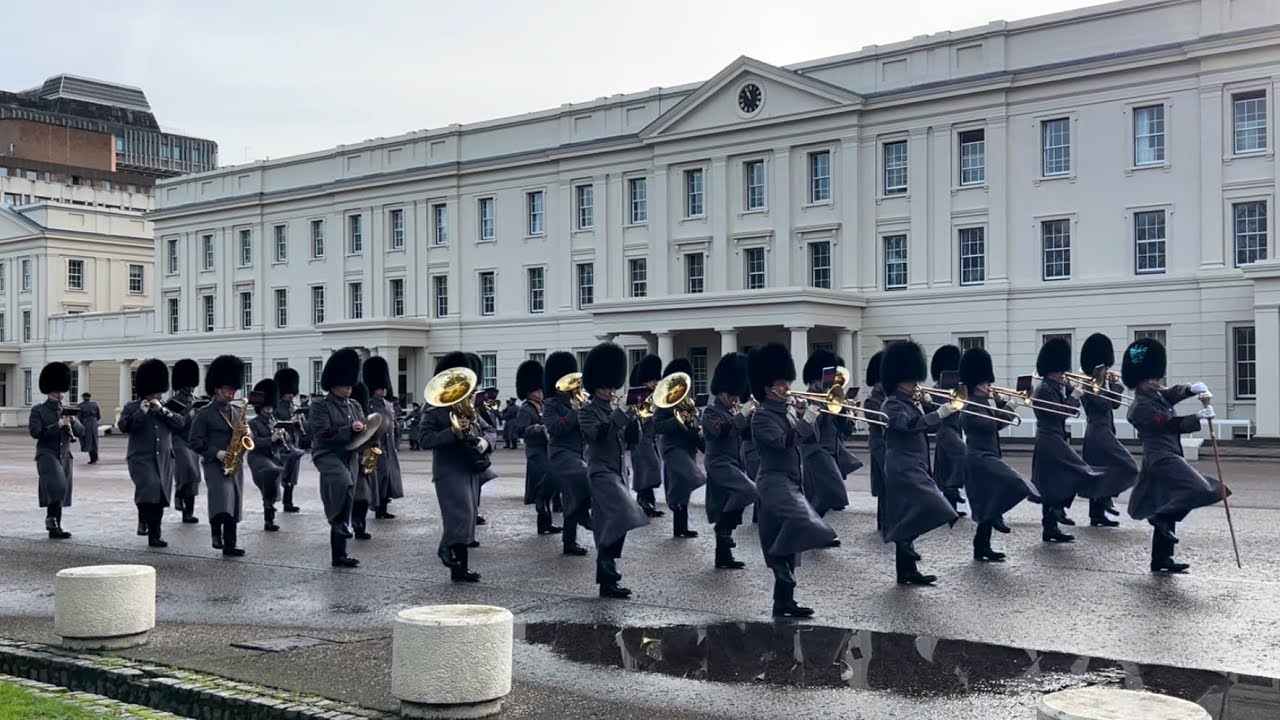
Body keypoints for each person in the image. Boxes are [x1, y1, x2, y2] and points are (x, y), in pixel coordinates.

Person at [1122, 338, 1229, 574]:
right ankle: (1159, 518)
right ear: (1139, 379)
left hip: (1168, 453)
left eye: (1156, 376)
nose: (1156, 381)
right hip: (1160, 458)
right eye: (1151, 377)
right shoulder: (1140, 406)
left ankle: (1162, 559)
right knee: (1199, 489)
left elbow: (1172, 393)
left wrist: (1190, 389)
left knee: (1166, 499)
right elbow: (1169, 424)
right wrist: (1198, 418)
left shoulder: (1156, 395)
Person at [747, 342, 835, 617]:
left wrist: (801, 414)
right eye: (781, 383)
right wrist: (806, 419)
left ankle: (783, 601)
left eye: (787, 382)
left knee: (783, 537)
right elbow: (784, 442)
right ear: (767, 388)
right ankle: (780, 569)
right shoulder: (761, 417)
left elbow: (806, 436)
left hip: (792, 480)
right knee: (800, 523)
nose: (787, 387)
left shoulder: (785, 410)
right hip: (773, 482)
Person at [879, 341, 960, 586]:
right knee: (936, 506)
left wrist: (930, 406)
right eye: (911, 380)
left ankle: (907, 571)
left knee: (909, 514)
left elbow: (932, 426)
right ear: (900, 380)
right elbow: (909, 426)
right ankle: (903, 543)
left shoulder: (910, 403)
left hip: (915, 465)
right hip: (902, 466)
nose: (915, 384)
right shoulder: (891, 404)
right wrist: (937, 412)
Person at [579, 342, 649, 599]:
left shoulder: (612, 409)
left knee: (611, 523)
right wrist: (620, 415)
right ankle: (608, 570)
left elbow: (632, 441)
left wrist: (634, 419)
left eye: (613, 385)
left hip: (619, 472)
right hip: (600, 472)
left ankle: (608, 580)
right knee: (621, 514)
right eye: (608, 386)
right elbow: (598, 435)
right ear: (596, 386)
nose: (612, 390)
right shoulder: (587, 411)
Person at [419, 351, 493, 582]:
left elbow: (488, 430)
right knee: (459, 515)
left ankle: (460, 569)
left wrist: (484, 442)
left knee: (468, 517)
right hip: (448, 470)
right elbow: (424, 439)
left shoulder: (469, 409)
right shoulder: (434, 411)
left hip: (470, 467)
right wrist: (451, 432)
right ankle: (446, 549)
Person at [958, 348, 1037, 562]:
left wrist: (1002, 402)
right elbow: (993, 424)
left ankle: (982, 547)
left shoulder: (984, 402)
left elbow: (996, 423)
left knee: (987, 499)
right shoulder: (970, 405)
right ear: (976, 384)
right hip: (979, 458)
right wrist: (1010, 405)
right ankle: (995, 516)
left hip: (989, 455)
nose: (989, 386)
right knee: (1014, 483)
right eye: (986, 383)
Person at [1030, 338, 1103, 543]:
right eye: (1060, 371)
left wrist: (1071, 391)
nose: (1064, 374)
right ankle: (1055, 515)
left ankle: (1052, 522)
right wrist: (1075, 395)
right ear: (1053, 370)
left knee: (1056, 481)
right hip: (1050, 440)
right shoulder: (1045, 389)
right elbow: (1060, 413)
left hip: (1055, 438)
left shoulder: (1053, 387)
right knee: (1079, 471)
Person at [118, 359, 184, 548]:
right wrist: (142, 412)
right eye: (156, 392)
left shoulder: (167, 407)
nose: (159, 395)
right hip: (141, 457)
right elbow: (123, 427)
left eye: (160, 392)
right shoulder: (132, 407)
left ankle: (155, 534)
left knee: (160, 495)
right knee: (150, 487)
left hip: (163, 458)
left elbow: (180, 424)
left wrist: (163, 411)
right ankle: (143, 517)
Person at [188, 355, 249, 558]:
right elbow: (194, 440)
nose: (232, 394)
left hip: (235, 463)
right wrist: (216, 452)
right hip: (215, 463)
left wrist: (248, 435)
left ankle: (230, 544)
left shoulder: (238, 411)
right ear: (217, 390)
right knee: (221, 498)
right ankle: (216, 533)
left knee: (233, 503)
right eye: (228, 390)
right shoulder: (204, 414)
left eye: (233, 390)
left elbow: (245, 437)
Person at [308, 348, 363, 568]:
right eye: (345, 384)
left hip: (349, 455)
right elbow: (323, 433)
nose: (349, 388)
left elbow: (364, 432)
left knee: (347, 496)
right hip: (327, 453)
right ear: (333, 384)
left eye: (350, 384)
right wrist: (350, 428)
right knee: (342, 482)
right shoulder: (320, 406)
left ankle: (339, 555)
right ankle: (337, 522)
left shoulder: (355, 405)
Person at [701, 352, 756, 570]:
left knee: (725, 504)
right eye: (731, 395)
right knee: (749, 491)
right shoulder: (710, 412)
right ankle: (722, 529)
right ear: (721, 392)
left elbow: (746, 434)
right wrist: (741, 415)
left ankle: (723, 556)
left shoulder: (732, 411)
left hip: (733, 462)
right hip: (718, 464)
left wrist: (752, 417)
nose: (734, 399)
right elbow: (720, 431)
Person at [1078, 334, 1138, 528]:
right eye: (1105, 367)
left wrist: (1115, 386)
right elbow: (1103, 404)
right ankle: (1107, 497)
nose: (1107, 370)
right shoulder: (1087, 385)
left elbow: (1114, 406)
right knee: (1127, 464)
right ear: (1097, 367)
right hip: (1098, 432)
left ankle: (1097, 515)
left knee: (1099, 472)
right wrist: (1113, 388)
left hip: (1105, 431)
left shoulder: (1103, 384)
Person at [798, 349, 850, 543]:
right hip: (815, 450)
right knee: (831, 492)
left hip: (830, 448)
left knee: (820, 495)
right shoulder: (808, 397)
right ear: (814, 379)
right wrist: (820, 411)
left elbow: (841, 427)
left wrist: (842, 410)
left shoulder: (829, 394)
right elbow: (810, 428)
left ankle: (813, 530)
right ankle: (812, 528)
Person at [543, 351, 591, 556]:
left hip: (579, 452)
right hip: (561, 454)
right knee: (585, 477)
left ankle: (569, 542)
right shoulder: (551, 404)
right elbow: (555, 429)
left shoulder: (581, 400)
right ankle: (582, 515)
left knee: (572, 495)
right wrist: (575, 412)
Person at [30, 362, 83, 539]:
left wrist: (73, 421)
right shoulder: (39, 410)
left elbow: (81, 432)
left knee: (61, 491)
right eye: (57, 391)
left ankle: (55, 525)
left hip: (65, 455)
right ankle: (52, 520)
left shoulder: (66, 410)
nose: (60, 394)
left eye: (62, 391)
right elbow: (35, 432)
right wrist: (57, 425)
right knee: (57, 486)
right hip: (47, 453)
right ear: (49, 390)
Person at [653, 358, 705, 539]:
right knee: (691, 478)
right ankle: (673, 503)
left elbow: (692, 427)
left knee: (682, 487)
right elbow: (658, 426)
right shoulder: (664, 403)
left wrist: (694, 421)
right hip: (673, 448)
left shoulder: (687, 403)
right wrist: (676, 419)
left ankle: (680, 528)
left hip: (687, 448)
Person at [515, 360, 560, 536]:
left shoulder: (541, 406)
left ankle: (545, 523)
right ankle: (543, 522)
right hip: (535, 451)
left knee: (547, 486)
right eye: (537, 390)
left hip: (545, 449)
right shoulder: (526, 409)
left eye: (541, 390)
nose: (540, 393)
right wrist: (535, 428)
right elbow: (520, 430)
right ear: (529, 392)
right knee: (543, 486)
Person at [362, 356, 404, 521]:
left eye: (384, 387)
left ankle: (384, 506)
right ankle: (377, 507)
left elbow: (394, 426)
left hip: (389, 447)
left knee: (388, 478)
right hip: (375, 446)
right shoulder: (369, 405)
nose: (383, 390)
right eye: (380, 388)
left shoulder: (388, 404)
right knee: (377, 478)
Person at [930, 345, 967, 517]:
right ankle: (953, 488)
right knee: (963, 454)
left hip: (956, 429)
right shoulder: (936, 389)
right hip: (946, 430)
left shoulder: (958, 388)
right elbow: (938, 409)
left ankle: (951, 508)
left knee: (946, 467)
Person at [628, 354, 665, 518]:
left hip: (651, 437)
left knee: (650, 469)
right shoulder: (638, 395)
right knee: (647, 469)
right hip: (640, 437)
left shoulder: (656, 394)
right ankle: (643, 501)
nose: (654, 383)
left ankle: (648, 502)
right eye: (652, 380)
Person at [246, 379, 285, 533]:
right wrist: (272, 439)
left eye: (270, 407)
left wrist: (283, 436)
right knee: (269, 478)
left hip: (272, 458)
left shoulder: (274, 421)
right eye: (266, 408)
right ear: (260, 408)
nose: (269, 410)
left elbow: (280, 443)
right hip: (258, 459)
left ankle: (269, 519)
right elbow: (254, 443)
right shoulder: (253, 423)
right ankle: (269, 516)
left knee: (270, 491)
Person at [170, 359, 203, 523]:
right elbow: (175, 423)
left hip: (193, 441)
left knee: (195, 477)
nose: (190, 387)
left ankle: (188, 512)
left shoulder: (195, 399)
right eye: (188, 384)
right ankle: (178, 494)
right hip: (179, 440)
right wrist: (192, 413)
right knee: (188, 471)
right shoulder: (174, 402)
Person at [273, 367, 304, 513]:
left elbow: (304, 429)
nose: (290, 396)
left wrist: (301, 421)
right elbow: (275, 423)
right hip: (283, 446)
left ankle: (288, 502)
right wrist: (290, 421)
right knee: (282, 474)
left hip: (294, 444)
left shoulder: (294, 407)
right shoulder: (277, 407)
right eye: (287, 393)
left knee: (292, 475)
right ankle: (273, 504)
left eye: (292, 393)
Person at [864, 352, 887, 532]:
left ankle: (887, 520)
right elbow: (881, 419)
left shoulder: (887, 399)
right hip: (879, 445)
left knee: (889, 486)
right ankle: (883, 521)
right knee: (885, 485)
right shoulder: (871, 401)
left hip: (887, 445)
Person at [77, 393, 101, 464]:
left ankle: (93, 458)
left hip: (86, 423)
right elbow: (98, 416)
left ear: (83, 398)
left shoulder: (80, 406)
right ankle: (95, 457)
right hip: (94, 423)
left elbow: (79, 417)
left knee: (88, 441)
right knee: (94, 441)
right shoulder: (95, 405)